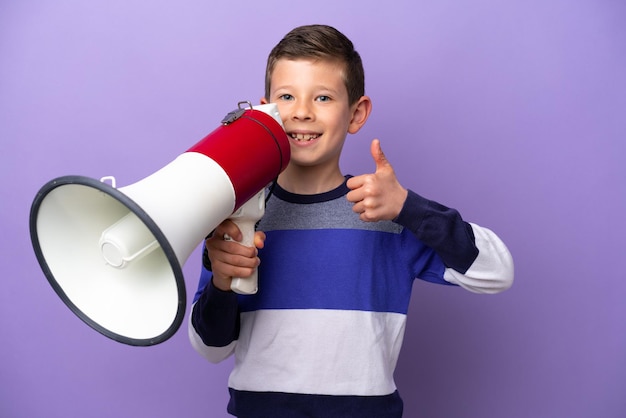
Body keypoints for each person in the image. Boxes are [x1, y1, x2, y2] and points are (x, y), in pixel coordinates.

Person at [188, 24, 514, 417]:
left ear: (356, 113)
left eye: (323, 97)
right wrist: (222, 286)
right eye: (286, 96)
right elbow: (210, 349)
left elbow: (497, 272)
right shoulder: (238, 214)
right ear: (265, 113)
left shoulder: (387, 213)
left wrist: (408, 207)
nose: (302, 111)